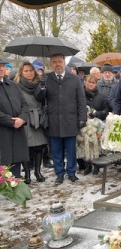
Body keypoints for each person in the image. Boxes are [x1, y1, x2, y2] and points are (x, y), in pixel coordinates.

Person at [44, 53, 87, 184]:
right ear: (51, 64)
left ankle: (71, 172)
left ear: (64, 63)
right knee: (56, 150)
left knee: (71, 150)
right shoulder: (46, 79)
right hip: (54, 120)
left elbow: (81, 99)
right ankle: (59, 173)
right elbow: (40, 99)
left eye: (60, 61)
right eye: (54, 62)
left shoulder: (74, 79)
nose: (57, 64)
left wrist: (82, 118)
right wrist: (40, 87)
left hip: (70, 120)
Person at [14, 62, 48, 183]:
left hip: (37, 117)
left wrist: (43, 86)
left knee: (39, 147)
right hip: (24, 117)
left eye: (31, 71)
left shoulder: (38, 83)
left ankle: (38, 172)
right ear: (21, 72)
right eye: (26, 71)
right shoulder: (16, 85)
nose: (29, 73)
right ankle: (27, 174)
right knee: (26, 147)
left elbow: (41, 98)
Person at [0, 57, 30, 179]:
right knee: (3, 162)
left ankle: (16, 186)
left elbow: (24, 104)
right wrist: (10, 121)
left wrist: (22, 118)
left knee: (16, 160)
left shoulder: (12, 85)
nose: (1, 68)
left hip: (17, 130)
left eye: (2, 66)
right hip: (3, 132)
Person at [80, 75, 110, 175]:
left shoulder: (102, 96)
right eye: (89, 82)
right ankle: (87, 165)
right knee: (86, 145)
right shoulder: (80, 95)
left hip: (98, 125)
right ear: (85, 82)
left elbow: (106, 110)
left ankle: (96, 165)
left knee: (96, 146)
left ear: (96, 84)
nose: (91, 84)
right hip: (84, 125)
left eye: (93, 82)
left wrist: (96, 114)